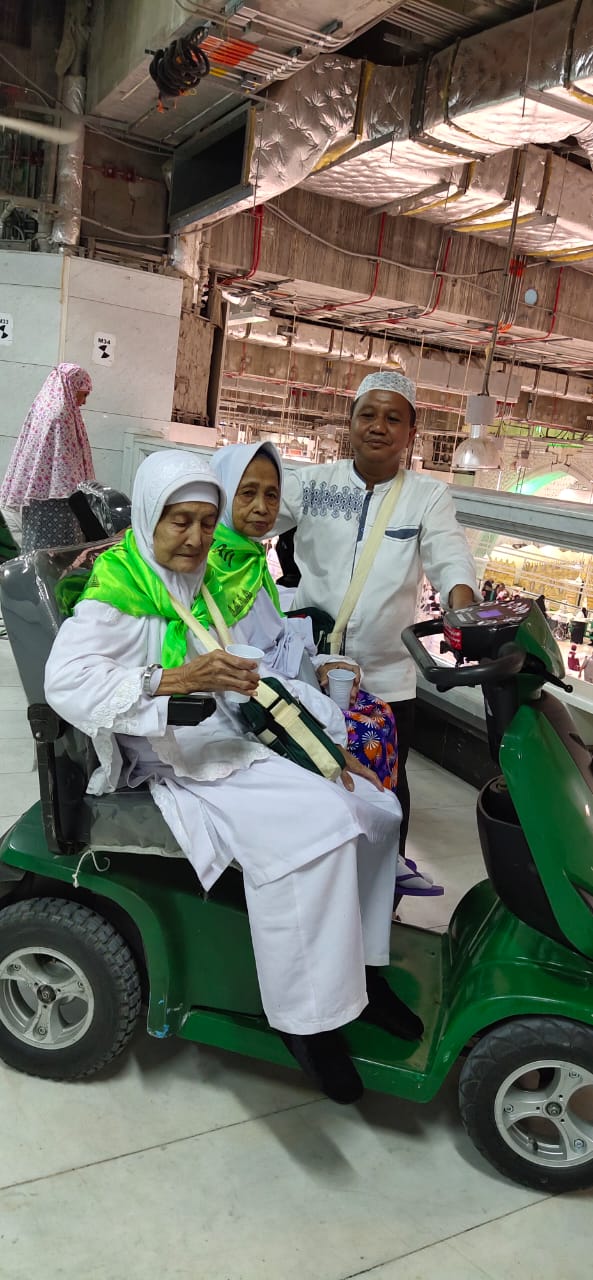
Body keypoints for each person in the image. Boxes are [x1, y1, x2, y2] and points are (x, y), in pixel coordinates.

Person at [44, 449, 423, 1105]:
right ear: (149, 518)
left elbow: (260, 674)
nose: (196, 538)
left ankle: (363, 969)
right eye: (179, 522)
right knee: (318, 828)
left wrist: (330, 746)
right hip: (172, 752)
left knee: (374, 807)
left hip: (228, 733)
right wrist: (174, 679)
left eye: (204, 521)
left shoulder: (202, 584)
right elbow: (66, 684)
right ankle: (307, 1021)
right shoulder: (117, 594)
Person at [207, 440, 443, 900]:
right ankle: (362, 852)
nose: (262, 508)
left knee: (378, 713)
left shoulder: (248, 560)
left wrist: (318, 663)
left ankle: (378, 849)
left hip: (277, 683)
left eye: (271, 495)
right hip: (246, 706)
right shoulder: (213, 566)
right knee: (363, 733)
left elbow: (273, 636)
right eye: (246, 493)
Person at [275, 370, 478, 865]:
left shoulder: (427, 496)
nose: (378, 426)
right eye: (367, 414)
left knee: (385, 789)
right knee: (307, 779)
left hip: (386, 683)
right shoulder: (312, 484)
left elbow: (450, 555)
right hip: (310, 670)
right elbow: (250, 520)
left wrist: (462, 604)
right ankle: (316, 876)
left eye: (393, 418)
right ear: (349, 422)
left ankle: (384, 883)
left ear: (411, 431)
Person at [0, 363, 94, 553]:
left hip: (41, 495)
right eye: (83, 394)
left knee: (37, 543)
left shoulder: (45, 408)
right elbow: (63, 463)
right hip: (57, 498)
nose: (84, 401)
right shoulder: (59, 415)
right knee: (56, 549)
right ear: (70, 386)